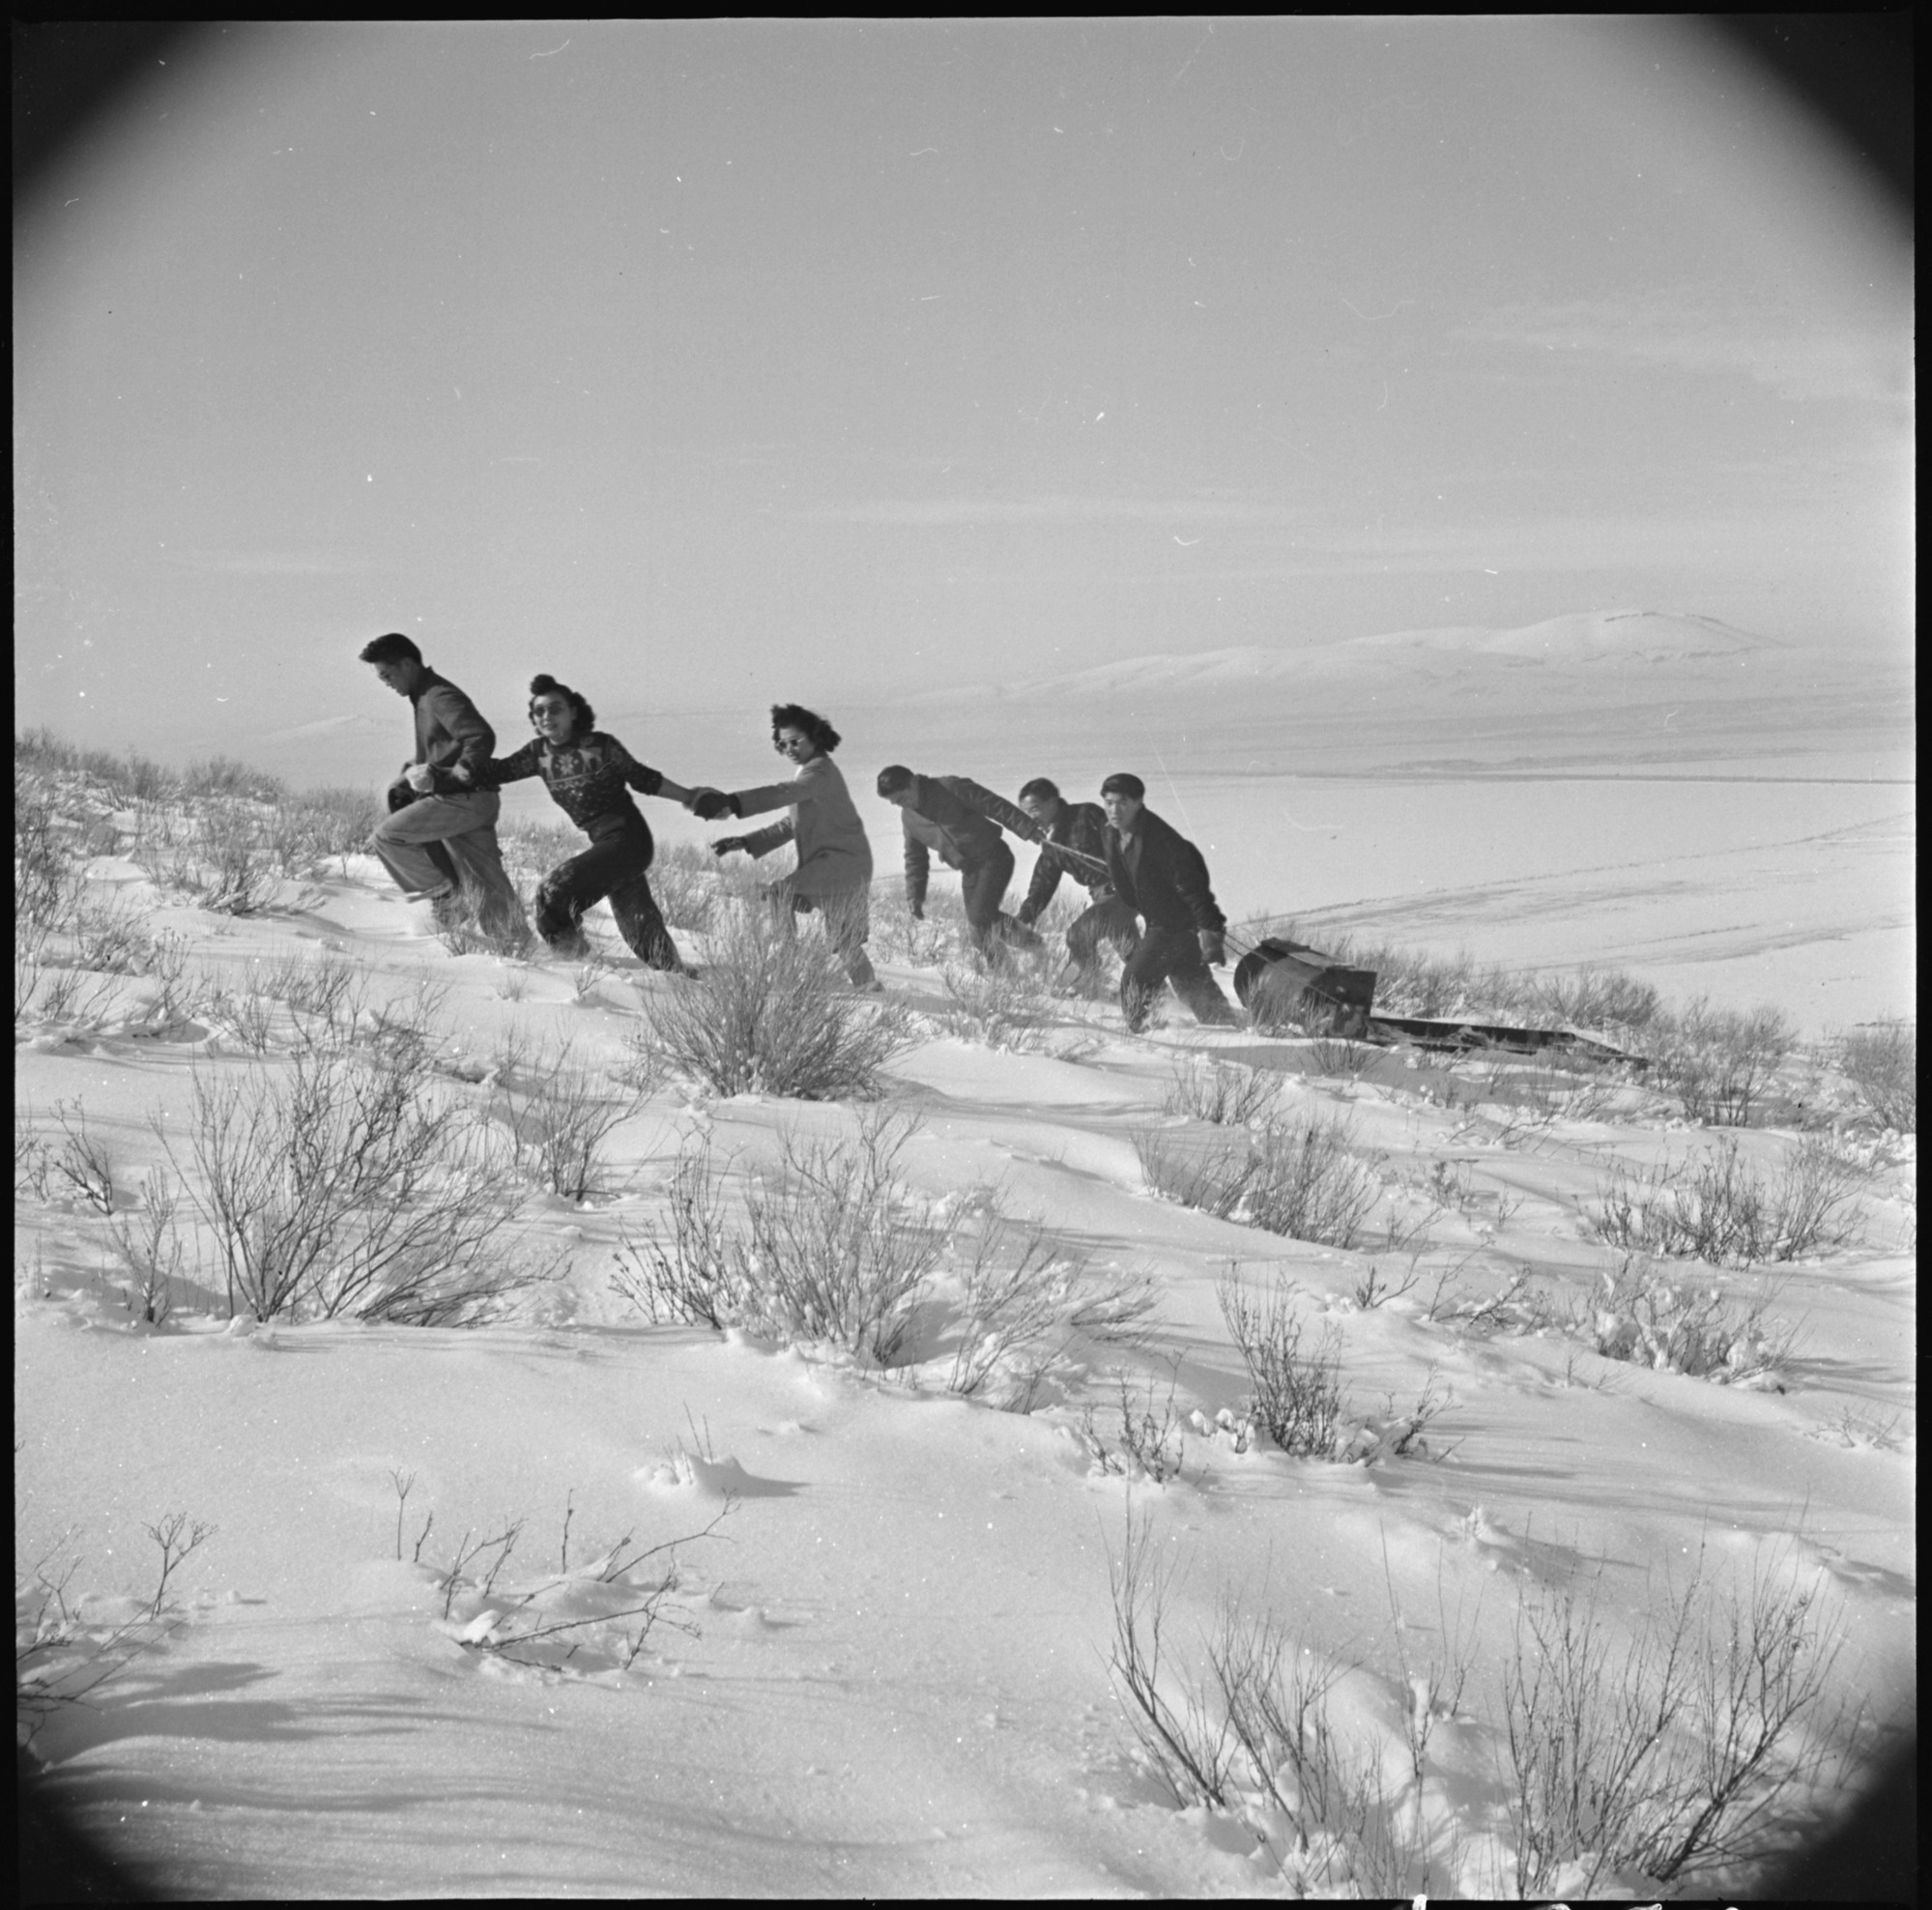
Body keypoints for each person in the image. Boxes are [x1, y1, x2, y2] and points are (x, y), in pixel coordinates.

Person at [472, 674, 704, 971]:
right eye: (539, 711)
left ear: (573, 712)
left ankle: (572, 965)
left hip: (628, 841)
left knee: (552, 892)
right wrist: (443, 771)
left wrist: (691, 797)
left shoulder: (600, 747)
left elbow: (644, 780)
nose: (546, 716)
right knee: (638, 923)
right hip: (607, 845)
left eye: (555, 708)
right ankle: (678, 977)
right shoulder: (538, 754)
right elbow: (496, 771)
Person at [360, 631, 532, 952]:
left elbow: (479, 737)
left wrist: (456, 772)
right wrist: (415, 769)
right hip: (476, 800)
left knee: (388, 837)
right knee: (485, 878)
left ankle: (448, 899)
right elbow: (447, 748)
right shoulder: (423, 695)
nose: (385, 682)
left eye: (387, 674)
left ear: (407, 664)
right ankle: (517, 945)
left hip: (462, 798)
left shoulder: (437, 695)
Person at [699, 703, 879, 990]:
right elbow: (791, 823)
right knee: (845, 940)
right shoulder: (813, 773)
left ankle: (786, 959)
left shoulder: (818, 772)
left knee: (780, 895)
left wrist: (733, 802)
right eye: (783, 744)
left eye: (796, 741)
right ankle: (869, 988)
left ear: (815, 736)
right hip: (847, 863)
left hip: (840, 862)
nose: (790, 748)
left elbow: (784, 794)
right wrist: (746, 841)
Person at [1099, 771, 1238, 1033]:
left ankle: (1141, 1035)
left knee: (1134, 979)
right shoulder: (1110, 833)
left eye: (1123, 803)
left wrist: (1211, 928)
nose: (1114, 810)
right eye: (1109, 803)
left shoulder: (1161, 839)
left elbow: (1192, 887)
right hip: (1158, 920)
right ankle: (1229, 1028)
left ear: (1139, 802)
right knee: (1190, 981)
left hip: (1171, 924)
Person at [875, 765, 1046, 967]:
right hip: (969, 869)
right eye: (896, 803)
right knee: (977, 931)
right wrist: (915, 894)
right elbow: (915, 858)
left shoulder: (950, 787)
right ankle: (1006, 975)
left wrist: (1027, 828)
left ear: (912, 782)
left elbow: (994, 805)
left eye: (902, 798)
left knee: (980, 915)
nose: (902, 805)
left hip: (993, 856)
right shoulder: (909, 818)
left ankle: (1035, 946)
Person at [1014, 776, 1140, 991]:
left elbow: (1124, 838)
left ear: (1052, 802)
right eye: (1026, 812)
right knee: (1134, 956)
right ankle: (1160, 1001)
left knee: (1078, 935)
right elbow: (1042, 884)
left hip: (1124, 891)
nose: (1031, 817)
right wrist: (1025, 918)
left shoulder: (1086, 814)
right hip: (1104, 899)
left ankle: (1089, 986)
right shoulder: (1051, 844)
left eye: (1034, 809)